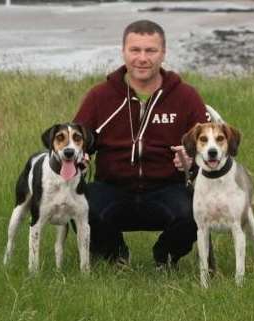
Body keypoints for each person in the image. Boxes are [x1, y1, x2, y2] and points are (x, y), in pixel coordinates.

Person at [73, 20, 209, 268]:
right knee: (76, 203)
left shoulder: (186, 96)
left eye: (151, 50)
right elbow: (77, 142)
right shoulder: (99, 96)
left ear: (163, 53)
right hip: (112, 188)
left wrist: (193, 160)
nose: (142, 58)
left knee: (196, 212)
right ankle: (115, 256)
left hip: (167, 189)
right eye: (135, 50)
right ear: (123, 51)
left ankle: (164, 258)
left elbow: (212, 149)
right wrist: (79, 157)